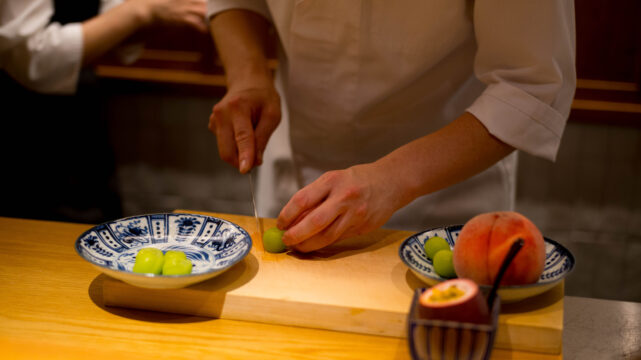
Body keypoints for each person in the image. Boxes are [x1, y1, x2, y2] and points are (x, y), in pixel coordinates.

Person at [207, 0, 576, 252]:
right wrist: (248, 74)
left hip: (444, 194)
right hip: (296, 178)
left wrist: (394, 178)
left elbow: (530, 84)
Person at [0, 0, 207, 222]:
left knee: (96, 224)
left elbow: (113, 23)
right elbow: (32, 59)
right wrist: (141, 10)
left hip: (83, 115)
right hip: (23, 130)